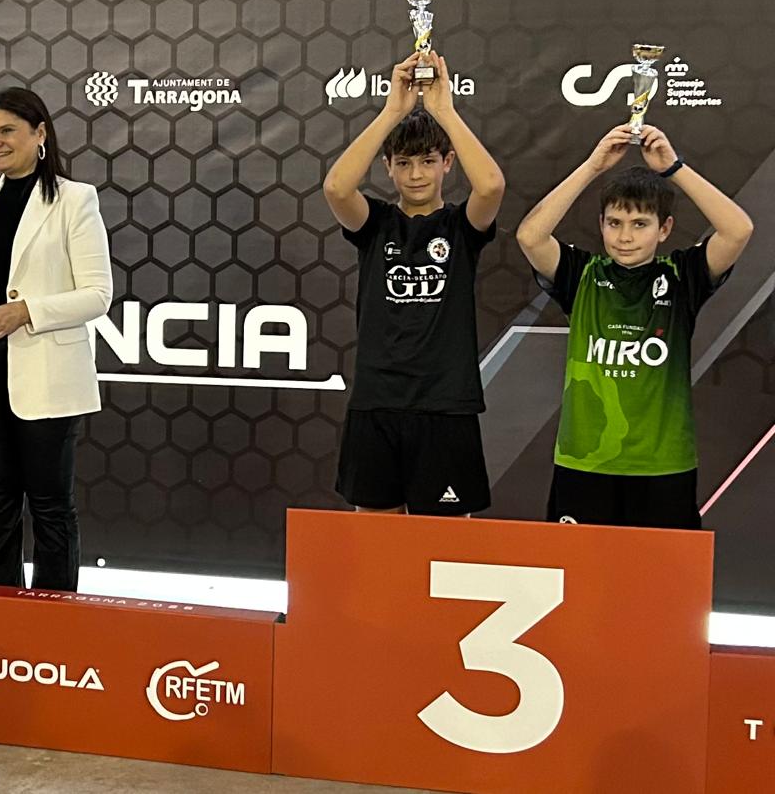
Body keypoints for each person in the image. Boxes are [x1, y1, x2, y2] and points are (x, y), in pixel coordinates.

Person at [515, 124, 752, 528]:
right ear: (602, 224)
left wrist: (673, 168)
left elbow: (739, 229)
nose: (625, 237)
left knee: (660, 588)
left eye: (640, 224)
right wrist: (592, 167)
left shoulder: (683, 278)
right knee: (584, 585)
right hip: (584, 463)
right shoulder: (582, 275)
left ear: (665, 229)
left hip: (662, 467)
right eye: (614, 223)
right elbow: (530, 236)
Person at [0, 87, 112, 591]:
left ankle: (55, 619)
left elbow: (98, 294)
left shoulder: (75, 199)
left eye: (7, 131)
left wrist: (27, 311)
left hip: (47, 379)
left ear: (40, 134)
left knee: (51, 506)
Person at [321, 52, 506, 516]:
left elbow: (492, 188)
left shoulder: (461, 226)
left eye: (427, 161)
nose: (417, 173)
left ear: (447, 163)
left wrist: (443, 109)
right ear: (388, 167)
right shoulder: (376, 224)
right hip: (377, 402)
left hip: (445, 405)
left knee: (443, 546)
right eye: (404, 163)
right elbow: (337, 189)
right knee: (375, 541)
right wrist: (392, 112)